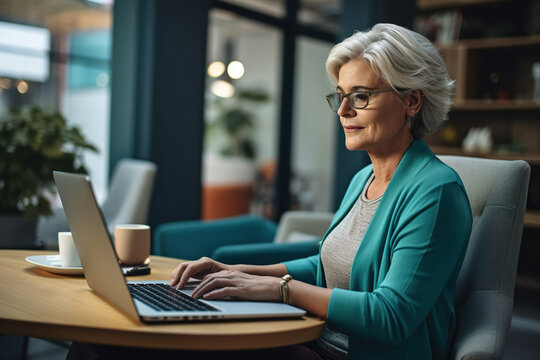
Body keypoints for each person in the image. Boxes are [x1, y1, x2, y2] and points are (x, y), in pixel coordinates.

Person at [68, 23, 472, 360]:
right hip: (310, 339)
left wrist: (279, 289)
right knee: (105, 337)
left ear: (412, 102)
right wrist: (240, 273)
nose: (344, 111)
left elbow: (391, 315)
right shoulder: (362, 179)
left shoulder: (435, 193)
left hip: (350, 355)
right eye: (341, 96)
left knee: (124, 347)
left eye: (361, 96)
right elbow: (328, 268)